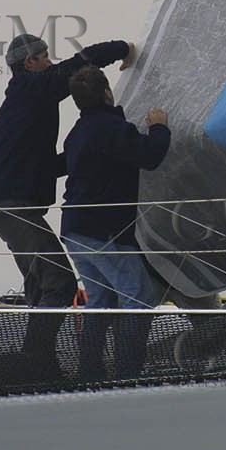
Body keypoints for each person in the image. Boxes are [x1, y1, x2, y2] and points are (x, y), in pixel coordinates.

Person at [0, 32, 135, 371]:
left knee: (40, 286)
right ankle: (35, 360)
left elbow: (43, 165)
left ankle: (40, 364)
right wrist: (123, 49)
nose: (50, 62)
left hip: (7, 207)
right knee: (60, 281)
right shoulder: (30, 89)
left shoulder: (26, 100)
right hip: (13, 208)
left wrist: (86, 153)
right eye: (45, 57)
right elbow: (79, 65)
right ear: (29, 63)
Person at [60, 66, 171, 379]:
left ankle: (89, 372)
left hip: (74, 229)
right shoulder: (111, 128)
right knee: (139, 298)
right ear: (107, 93)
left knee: (101, 299)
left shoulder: (78, 132)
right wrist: (159, 127)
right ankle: (128, 372)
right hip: (105, 230)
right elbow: (149, 156)